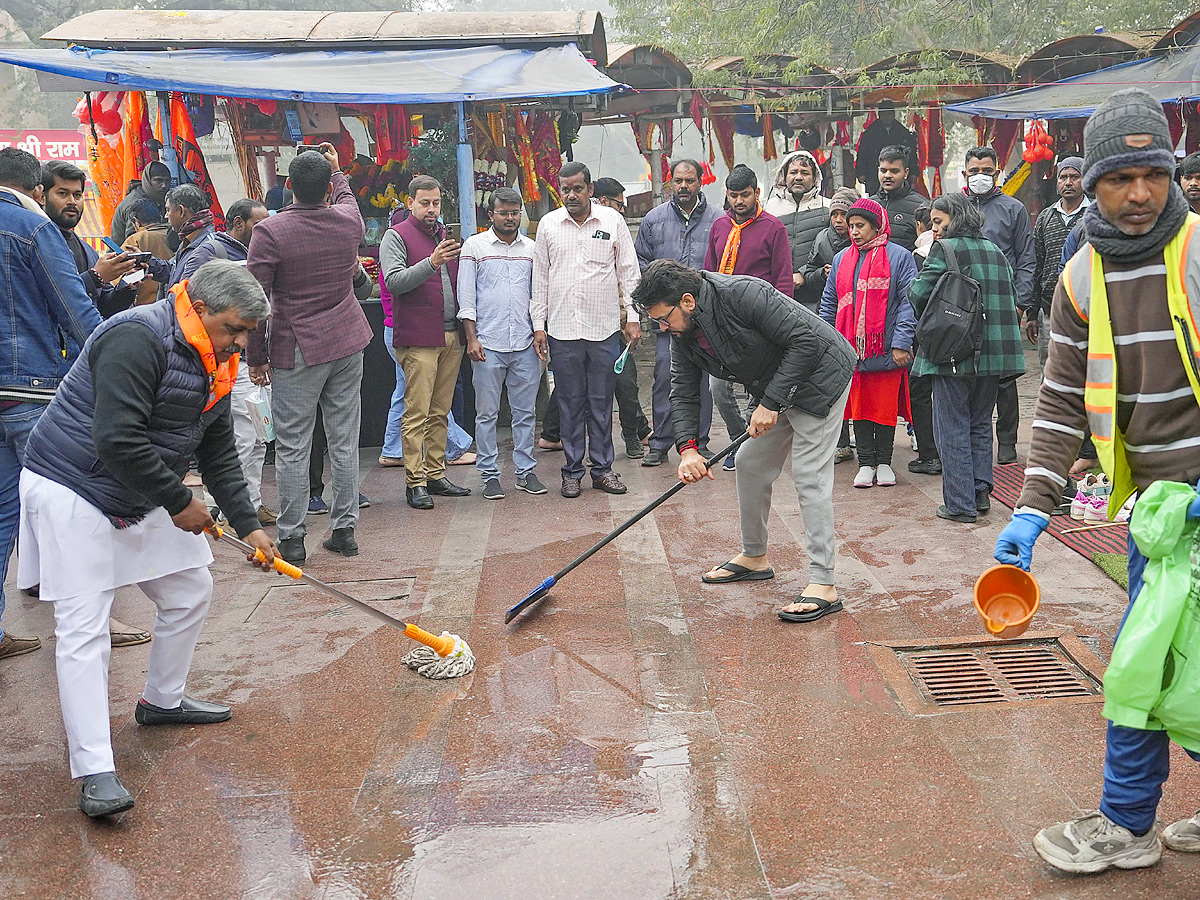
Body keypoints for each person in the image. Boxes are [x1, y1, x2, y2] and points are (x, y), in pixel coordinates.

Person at [994, 88, 1200, 875]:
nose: (1140, 194)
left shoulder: (1198, 254)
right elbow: (1060, 404)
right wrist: (1033, 507)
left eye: (1154, 173)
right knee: (1166, 664)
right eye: (1121, 177)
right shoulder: (1080, 279)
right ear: (1090, 181)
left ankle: (1124, 824)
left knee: (1141, 665)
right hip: (1157, 519)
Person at [19, 260, 278, 818]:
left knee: (190, 587)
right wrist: (181, 501)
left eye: (247, 334)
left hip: (137, 483)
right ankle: (94, 769)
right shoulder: (136, 336)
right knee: (84, 627)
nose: (239, 343)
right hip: (73, 483)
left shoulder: (215, 352)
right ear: (201, 308)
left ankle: (162, 701)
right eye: (233, 329)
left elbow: (215, 450)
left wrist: (248, 521)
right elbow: (116, 439)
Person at [632, 259, 855, 623]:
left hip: (822, 376)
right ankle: (755, 557)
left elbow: (806, 341)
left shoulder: (743, 293)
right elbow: (684, 390)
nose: (662, 327)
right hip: (779, 386)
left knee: (809, 475)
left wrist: (769, 403)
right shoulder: (682, 333)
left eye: (664, 318)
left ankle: (824, 584)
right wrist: (687, 449)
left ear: (687, 301)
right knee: (750, 463)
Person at [0, 147, 103, 661]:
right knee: (72, 508)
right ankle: (87, 625)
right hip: (30, 389)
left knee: (2, 515)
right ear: (36, 190)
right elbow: (74, 311)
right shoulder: (32, 228)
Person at [247, 142, 371, 565]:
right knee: (343, 437)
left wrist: (256, 356)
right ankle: (345, 530)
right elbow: (349, 200)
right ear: (326, 187)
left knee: (294, 445)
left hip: (297, 345)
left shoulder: (271, 231)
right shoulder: (347, 222)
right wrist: (338, 172)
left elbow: (255, 301)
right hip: (347, 339)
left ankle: (293, 538)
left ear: (287, 186)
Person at [908, 193, 1024, 523]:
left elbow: (917, 293)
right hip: (993, 354)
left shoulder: (944, 250)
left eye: (938, 222)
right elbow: (1010, 298)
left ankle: (959, 504)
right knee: (978, 423)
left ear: (955, 219)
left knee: (952, 427)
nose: (935, 229)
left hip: (953, 352)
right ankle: (980, 493)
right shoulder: (996, 252)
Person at [531, 162, 640, 498]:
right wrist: (539, 326)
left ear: (590, 189)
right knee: (569, 403)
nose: (572, 195)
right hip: (562, 331)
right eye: (566, 189)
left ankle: (603, 469)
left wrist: (633, 316)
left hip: (604, 328)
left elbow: (628, 272)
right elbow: (540, 279)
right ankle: (572, 471)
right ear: (559, 190)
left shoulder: (612, 221)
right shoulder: (549, 225)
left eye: (578, 188)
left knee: (602, 401)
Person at [184, 199, 278, 528]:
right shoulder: (211, 252)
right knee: (238, 438)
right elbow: (184, 299)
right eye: (258, 223)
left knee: (256, 437)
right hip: (226, 363)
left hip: (251, 362)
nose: (265, 229)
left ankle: (250, 503)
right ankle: (220, 505)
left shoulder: (260, 253)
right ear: (238, 223)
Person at [381, 175, 473, 510]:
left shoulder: (442, 234)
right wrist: (432, 262)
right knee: (416, 412)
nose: (432, 209)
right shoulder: (397, 236)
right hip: (418, 337)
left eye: (436, 202)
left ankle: (436, 473)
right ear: (410, 203)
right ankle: (415, 481)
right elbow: (393, 282)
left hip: (450, 334)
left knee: (440, 411)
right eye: (424, 203)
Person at [819, 198, 917, 489]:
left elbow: (908, 304)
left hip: (887, 348)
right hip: (852, 351)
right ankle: (865, 463)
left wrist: (901, 342)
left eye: (860, 226)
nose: (854, 232)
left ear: (877, 227)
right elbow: (829, 303)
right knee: (859, 408)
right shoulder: (841, 259)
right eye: (851, 226)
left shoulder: (900, 257)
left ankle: (884, 462)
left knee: (884, 408)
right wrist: (828, 342)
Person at [456, 187, 546, 500]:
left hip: (524, 344)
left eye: (514, 212)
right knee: (487, 415)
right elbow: (466, 297)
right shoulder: (475, 247)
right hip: (487, 345)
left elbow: (538, 296)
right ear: (490, 214)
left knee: (526, 413)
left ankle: (525, 472)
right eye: (503, 213)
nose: (509, 218)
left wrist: (539, 331)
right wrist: (472, 338)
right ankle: (490, 475)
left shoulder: (533, 249)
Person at [704, 164, 793, 470]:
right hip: (723, 323)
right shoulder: (719, 227)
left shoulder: (773, 228)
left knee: (758, 388)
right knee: (718, 386)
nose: (739, 201)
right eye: (733, 195)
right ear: (726, 195)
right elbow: (708, 274)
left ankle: (746, 449)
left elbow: (783, 279)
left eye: (745, 195)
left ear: (757, 193)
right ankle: (737, 438)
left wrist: (780, 326)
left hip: (761, 322)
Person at [634, 159, 720, 468]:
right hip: (668, 319)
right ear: (670, 182)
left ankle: (700, 442)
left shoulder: (718, 219)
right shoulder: (654, 220)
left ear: (700, 182)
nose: (683, 186)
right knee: (665, 378)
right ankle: (660, 444)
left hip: (706, 316)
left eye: (690, 181)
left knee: (704, 383)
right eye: (678, 181)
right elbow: (641, 263)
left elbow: (725, 265)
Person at [963, 146, 1036, 465]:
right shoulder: (956, 207)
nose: (981, 176)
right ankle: (968, 437)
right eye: (974, 170)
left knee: (1004, 377)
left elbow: (1027, 259)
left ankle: (1007, 442)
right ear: (965, 173)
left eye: (987, 171)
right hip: (962, 304)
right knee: (965, 374)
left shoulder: (1014, 208)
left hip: (1003, 303)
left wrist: (1020, 303)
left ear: (997, 173)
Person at [594, 176, 652, 458]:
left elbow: (630, 275)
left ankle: (632, 435)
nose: (622, 210)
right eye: (619, 204)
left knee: (626, 384)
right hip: (587, 326)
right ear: (604, 201)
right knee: (591, 390)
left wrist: (632, 317)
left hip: (617, 325)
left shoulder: (616, 229)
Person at [41, 160, 141, 319]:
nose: (72, 201)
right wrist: (95, 277)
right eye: (62, 193)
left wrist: (129, 282)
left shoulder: (86, 250)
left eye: (77, 195)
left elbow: (105, 307)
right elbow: (47, 302)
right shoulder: (35, 244)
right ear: (41, 196)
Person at [803, 187, 858, 464]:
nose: (838, 220)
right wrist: (820, 275)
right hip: (829, 312)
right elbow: (808, 270)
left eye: (843, 214)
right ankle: (841, 442)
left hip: (855, 315)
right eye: (834, 214)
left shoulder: (860, 240)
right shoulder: (822, 239)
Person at [1027, 156, 1088, 373]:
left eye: (1074, 177)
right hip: (1050, 307)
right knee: (1050, 367)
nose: (1068, 182)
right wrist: (1032, 313)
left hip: (1087, 307)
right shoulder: (1046, 218)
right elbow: (1037, 265)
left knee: (1084, 366)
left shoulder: (1095, 216)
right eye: (1063, 177)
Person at [764, 149, 831, 312]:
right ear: (784, 176)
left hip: (816, 294)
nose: (798, 177)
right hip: (776, 293)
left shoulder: (828, 207)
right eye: (793, 172)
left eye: (805, 173)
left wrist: (803, 274)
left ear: (814, 177)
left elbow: (833, 247)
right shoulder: (769, 208)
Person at [143, 183, 217, 295]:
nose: (166, 216)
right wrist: (146, 261)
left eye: (168, 210)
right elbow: (174, 271)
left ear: (181, 211)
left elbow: (185, 295)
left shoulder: (206, 247)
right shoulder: (189, 239)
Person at [854, 101, 918, 196]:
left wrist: (914, 172)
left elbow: (911, 154)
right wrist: (861, 172)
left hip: (898, 176)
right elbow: (862, 154)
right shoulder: (870, 133)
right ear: (879, 114)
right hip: (873, 174)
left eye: (889, 114)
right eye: (884, 114)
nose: (887, 117)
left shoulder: (903, 132)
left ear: (893, 114)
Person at [871, 145, 924, 253]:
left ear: (906, 173)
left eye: (894, 171)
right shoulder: (869, 205)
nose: (887, 175)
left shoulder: (921, 207)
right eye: (883, 170)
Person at [122, 197, 174, 306]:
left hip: (144, 306)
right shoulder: (174, 235)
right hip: (172, 300)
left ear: (136, 222)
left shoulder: (136, 239)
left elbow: (119, 278)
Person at [109, 160, 170, 243]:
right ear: (148, 181)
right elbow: (134, 240)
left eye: (167, 181)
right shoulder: (136, 203)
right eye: (158, 181)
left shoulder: (156, 197)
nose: (164, 186)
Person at [1180, 151, 1200, 215]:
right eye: (1188, 178)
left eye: (1199, 178)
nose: (1193, 183)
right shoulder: (1169, 212)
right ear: (1181, 179)